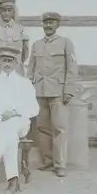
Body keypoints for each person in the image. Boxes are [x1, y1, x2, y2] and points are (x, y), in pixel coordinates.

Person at [0, 46, 39, 194]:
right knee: (10, 135)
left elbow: (34, 108)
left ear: (16, 63)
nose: (7, 64)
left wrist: (15, 112)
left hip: (21, 124)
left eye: (10, 61)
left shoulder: (25, 83)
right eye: (4, 60)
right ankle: (13, 181)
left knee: (12, 126)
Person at [27, 12, 78, 177]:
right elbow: (31, 69)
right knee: (42, 128)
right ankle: (47, 160)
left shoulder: (65, 43)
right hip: (40, 91)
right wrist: (28, 90)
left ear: (57, 24)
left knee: (60, 129)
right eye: (46, 23)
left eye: (51, 23)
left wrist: (68, 90)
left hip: (58, 92)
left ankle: (60, 164)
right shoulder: (36, 45)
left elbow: (72, 69)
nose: (48, 26)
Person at [0, 0, 29, 77]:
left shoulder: (20, 30)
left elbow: (25, 53)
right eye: (4, 10)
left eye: (9, 10)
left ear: (13, 12)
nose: (7, 13)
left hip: (16, 70)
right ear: (0, 12)